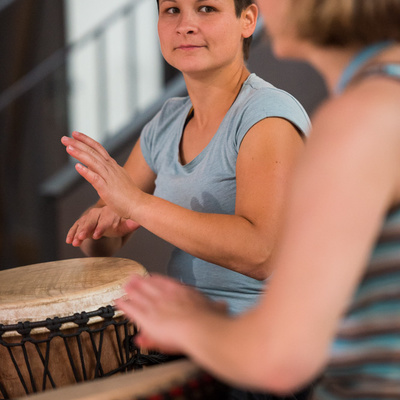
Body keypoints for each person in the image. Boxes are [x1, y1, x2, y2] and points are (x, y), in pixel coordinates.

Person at [115, 0, 400, 398]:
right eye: (172, 10)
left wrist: (193, 324)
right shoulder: (381, 98)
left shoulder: (360, 118)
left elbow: (279, 358)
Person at [61, 0, 310, 317]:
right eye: (172, 10)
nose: (185, 25)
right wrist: (100, 229)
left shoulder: (267, 117)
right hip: (186, 324)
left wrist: (137, 204)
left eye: (206, 8)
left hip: (260, 334)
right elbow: (104, 236)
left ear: (247, 20)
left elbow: (260, 254)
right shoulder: (166, 123)